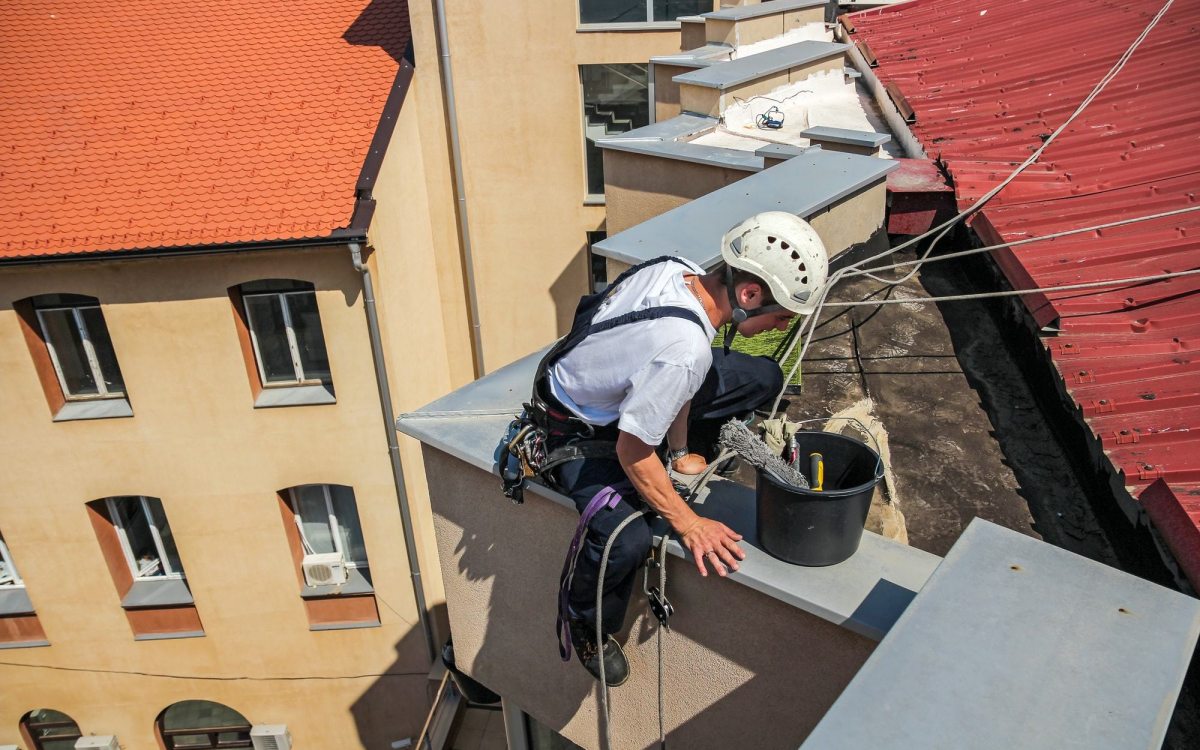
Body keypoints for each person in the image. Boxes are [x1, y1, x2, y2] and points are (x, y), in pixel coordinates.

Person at [532, 211, 828, 685]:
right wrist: (688, 524)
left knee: (764, 376)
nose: (778, 327)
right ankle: (587, 621)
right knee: (623, 539)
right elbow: (631, 451)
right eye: (779, 316)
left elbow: (682, 376)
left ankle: (683, 448)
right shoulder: (684, 349)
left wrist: (680, 449)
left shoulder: (676, 267)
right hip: (577, 427)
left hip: (631, 385)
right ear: (749, 294)